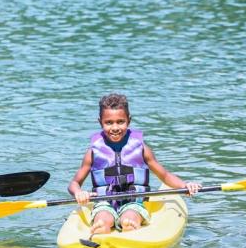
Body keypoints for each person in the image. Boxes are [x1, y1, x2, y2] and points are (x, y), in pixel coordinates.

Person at [68, 93, 201, 234]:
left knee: (130, 217)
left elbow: (165, 176)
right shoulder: (93, 152)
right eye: (109, 122)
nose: (115, 127)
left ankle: (129, 227)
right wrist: (78, 192)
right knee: (103, 217)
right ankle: (102, 228)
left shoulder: (141, 148)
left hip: (134, 203)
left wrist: (184, 186)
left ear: (129, 121)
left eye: (120, 122)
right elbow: (74, 183)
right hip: (104, 203)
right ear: (100, 122)